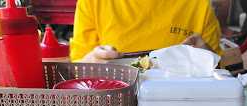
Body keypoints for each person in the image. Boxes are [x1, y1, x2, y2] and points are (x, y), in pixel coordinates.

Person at [69, 0, 222, 62]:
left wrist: (208, 58)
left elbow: (222, 77)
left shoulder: (199, 6)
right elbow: (75, 71)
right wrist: (91, 62)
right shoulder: (94, 2)